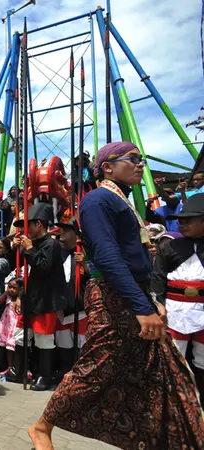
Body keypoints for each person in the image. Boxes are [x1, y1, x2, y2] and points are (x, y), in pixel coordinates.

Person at [29, 142, 204, 450]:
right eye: (133, 159)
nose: (140, 165)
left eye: (142, 159)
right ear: (107, 167)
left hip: (133, 295)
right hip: (112, 295)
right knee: (98, 365)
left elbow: (136, 261)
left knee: (151, 370)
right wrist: (142, 306)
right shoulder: (98, 199)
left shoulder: (121, 200)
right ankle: (42, 426)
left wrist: (151, 301)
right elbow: (108, 257)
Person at [9, 203, 67, 391]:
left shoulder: (52, 244)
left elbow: (44, 268)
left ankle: (45, 376)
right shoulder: (36, 244)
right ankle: (19, 370)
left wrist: (29, 249)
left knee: (44, 339)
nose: (26, 230)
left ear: (39, 224)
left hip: (46, 300)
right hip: (32, 299)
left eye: (29, 225)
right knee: (21, 335)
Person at [152, 193, 204, 400]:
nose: (182, 224)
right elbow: (157, 278)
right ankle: (174, 402)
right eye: (180, 220)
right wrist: (159, 305)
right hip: (175, 311)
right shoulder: (168, 247)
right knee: (174, 356)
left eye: (189, 220)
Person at [53, 219, 88, 380]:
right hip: (62, 304)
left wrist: (85, 265)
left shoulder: (87, 251)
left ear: (76, 235)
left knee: (81, 340)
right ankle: (64, 369)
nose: (62, 235)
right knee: (63, 340)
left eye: (66, 232)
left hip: (80, 306)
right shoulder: (59, 251)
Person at [0, 278, 23, 376]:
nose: (11, 289)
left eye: (14, 288)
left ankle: (17, 367)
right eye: (10, 287)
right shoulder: (8, 297)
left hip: (15, 323)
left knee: (14, 345)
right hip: (7, 323)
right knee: (8, 347)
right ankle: (10, 367)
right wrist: (6, 292)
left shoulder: (21, 299)